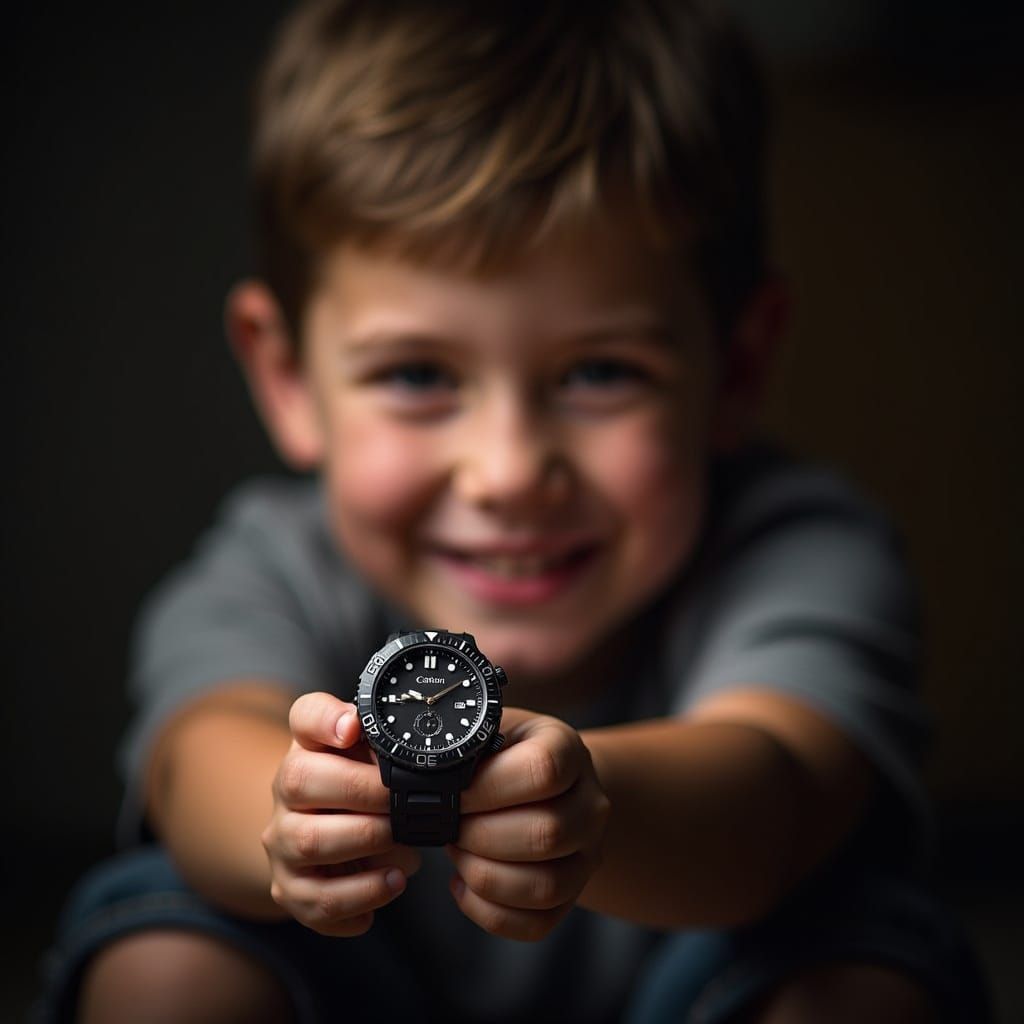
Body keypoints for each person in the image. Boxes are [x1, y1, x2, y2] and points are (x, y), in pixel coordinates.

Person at [37, 1, 991, 1021]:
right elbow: (194, 759)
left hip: (711, 987)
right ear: (287, 378)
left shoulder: (800, 551)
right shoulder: (273, 561)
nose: (507, 473)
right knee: (167, 963)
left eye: (599, 372)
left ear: (738, 367)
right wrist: (293, 812)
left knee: (854, 983)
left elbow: (776, 798)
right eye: (416, 375)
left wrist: (587, 805)